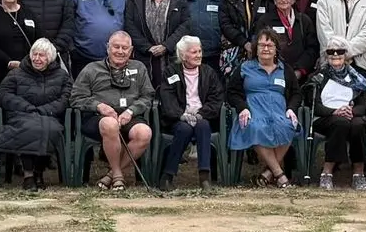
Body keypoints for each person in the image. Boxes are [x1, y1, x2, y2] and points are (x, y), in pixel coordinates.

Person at [70, 31, 154, 190]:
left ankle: (112, 175)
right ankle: (117, 175)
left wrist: (131, 111)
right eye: (116, 47)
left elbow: (148, 96)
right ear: (108, 48)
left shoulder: (139, 67)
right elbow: (75, 97)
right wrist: (98, 106)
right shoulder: (91, 69)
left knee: (145, 133)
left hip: (129, 115)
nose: (120, 51)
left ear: (131, 51)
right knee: (110, 124)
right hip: (98, 118)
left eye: (125, 48)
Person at [0, 37, 71, 192]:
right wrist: (27, 107)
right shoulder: (17, 73)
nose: (37, 58)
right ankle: (29, 176)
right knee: (30, 127)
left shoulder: (62, 76)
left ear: (50, 58)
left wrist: (44, 110)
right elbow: (2, 94)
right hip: (21, 115)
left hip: (49, 116)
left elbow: (66, 98)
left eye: (42, 55)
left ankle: (38, 172)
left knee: (49, 129)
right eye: (34, 54)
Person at [227, 28, 300, 188]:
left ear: (276, 49)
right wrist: (242, 108)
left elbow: (296, 93)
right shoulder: (245, 67)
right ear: (256, 49)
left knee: (289, 126)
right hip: (254, 112)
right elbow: (231, 92)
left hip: (279, 112)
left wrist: (291, 109)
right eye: (261, 45)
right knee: (256, 127)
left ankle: (267, 173)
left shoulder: (285, 69)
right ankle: (280, 176)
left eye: (269, 45)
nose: (265, 49)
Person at [156, 35, 224, 191]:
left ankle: (204, 177)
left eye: (200, 51)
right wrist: (181, 115)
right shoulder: (171, 72)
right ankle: (168, 176)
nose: (199, 55)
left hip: (203, 116)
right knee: (184, 128)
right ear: (183, 55)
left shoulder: (208, 72)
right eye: (194, 52)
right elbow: (167, 98)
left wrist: (201, 113)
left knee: (203, 125)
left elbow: (217, 98)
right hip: (177, 118)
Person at [307, 36, 366, 191]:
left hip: (350, 116)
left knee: (358, 125)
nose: (335, 55)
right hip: (325, 118)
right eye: (331, 52)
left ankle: (359, 174)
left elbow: (363, 106)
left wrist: (350, 111)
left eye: (340, 51)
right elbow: (314, 105)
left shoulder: (356, 77)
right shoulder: (318, 77)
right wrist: (335, 111)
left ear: (346, 55)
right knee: (340, 122)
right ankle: (327, 172)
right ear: (326, 55)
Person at [123, 0, 191, 87]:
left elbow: (185, 23)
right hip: (143, 56)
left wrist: (166, 45)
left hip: (170, 57)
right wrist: (147, 47)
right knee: (143, 91)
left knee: (169, 93)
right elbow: (129, 23)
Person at [220, 0, 272, 75]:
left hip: (260, 48)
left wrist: (254, 45)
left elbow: (268, 23)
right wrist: (244, 43)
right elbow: (225, 25)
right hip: (233, 50)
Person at [261, 0, 318, 80]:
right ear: (274, 0)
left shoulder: (304, 21)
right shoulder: (265, 21)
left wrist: (300, 70)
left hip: (300, 77)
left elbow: (312, 49)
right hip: (273, 74)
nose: (283, 0)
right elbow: (261, 47)